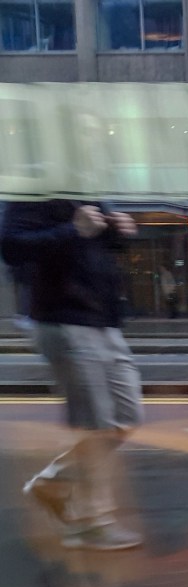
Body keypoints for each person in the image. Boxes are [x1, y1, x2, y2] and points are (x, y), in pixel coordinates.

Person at [1, 200, 144, 550]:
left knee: (126, 417)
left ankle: (52, 482)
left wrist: (118, 232)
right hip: (63, 319)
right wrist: (72, 229)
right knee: (97, 426)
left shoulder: (89, 189)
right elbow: (12, 248)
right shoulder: (36, 192)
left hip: (104, 320)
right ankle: (93, 522)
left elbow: (94, 247)